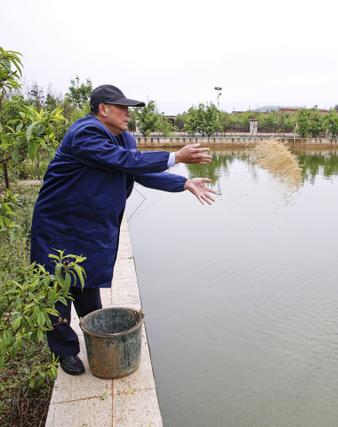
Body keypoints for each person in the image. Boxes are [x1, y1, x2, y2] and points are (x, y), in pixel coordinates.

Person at [30, 84, 216, 375]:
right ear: (103, 109)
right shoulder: (85, 134)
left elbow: (138, 170)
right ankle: (65, 352)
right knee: (57, 291)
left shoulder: (124, 138)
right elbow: (123, 161)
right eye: (122, 108)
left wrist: (184, 183)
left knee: (88, 284)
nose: (128, 114)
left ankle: (97, 337)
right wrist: (175, 157)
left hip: (89, 227)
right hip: (59, 227)